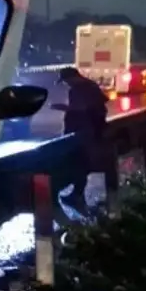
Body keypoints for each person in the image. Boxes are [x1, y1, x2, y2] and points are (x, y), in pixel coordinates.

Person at [49, 67, 109, 212]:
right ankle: (77, 194)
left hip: (80, 132)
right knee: (83, 162)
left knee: (77, 162)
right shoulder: (91, 85)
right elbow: (104, 100)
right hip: (93, 130)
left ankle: (74, 194)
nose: (66, 84)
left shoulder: (77, 89)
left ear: (73, 77)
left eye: (66, 81)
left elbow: (80, 108)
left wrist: (62, 107)